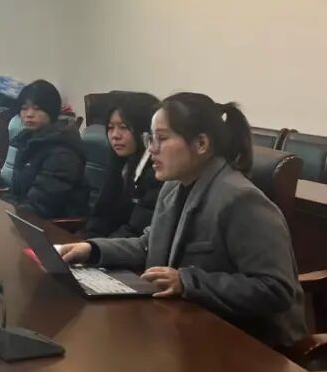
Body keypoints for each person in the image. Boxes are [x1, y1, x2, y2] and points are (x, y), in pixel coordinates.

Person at [59, 93, 306, 349]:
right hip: (191, 326)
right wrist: (92, 249)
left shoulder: (241, 201)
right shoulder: (173, 187)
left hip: (249, 345)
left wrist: (188, 282)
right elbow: (148, 244)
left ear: (201, 144)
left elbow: (276, 290)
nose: (151, 149)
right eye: (150, 138)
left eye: (162, 138)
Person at [1, 79, 88, 217]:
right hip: (23, 215)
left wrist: (6, 213)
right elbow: (16, 192)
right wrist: (2, 207)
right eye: (24, 108)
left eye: (37, 108)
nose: (29, 114)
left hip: (52, 225)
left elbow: (40, 205)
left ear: (51, 111)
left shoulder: (62, 152)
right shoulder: (26, 140)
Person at [82, 92, 163, 238]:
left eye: (123, 127)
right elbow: (101, 218)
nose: (115, 135)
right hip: (107, 245)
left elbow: (136, 231)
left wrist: (94, 248)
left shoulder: (156, 172)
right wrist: (81, 242)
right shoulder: (119, 164)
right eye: (110, 127)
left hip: (127, 248)